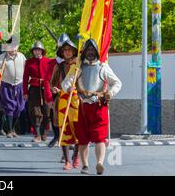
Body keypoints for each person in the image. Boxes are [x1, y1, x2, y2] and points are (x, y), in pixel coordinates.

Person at [62, 38, 122, 175]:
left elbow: (117, 83)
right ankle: (85, 165)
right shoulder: (77, 68)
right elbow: (65, 83)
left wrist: (110, 93)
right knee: (83, 139)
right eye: (88, 50)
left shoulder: (103, 67)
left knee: (100, 137)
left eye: (92, 50)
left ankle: (100, 162)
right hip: (81, 107)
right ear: (84, 52)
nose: (90, 52)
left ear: (96, 52)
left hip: (99, 106)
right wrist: (69, 89)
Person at [50, 34, 80, 170]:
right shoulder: (59, 66)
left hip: (77, 100)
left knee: (77, 129)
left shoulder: (79, 65)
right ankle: (67, 160)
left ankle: (76, 157)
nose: (67, 52)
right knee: (63, 129)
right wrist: (54, 88)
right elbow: (52, 84)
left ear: (74, 51)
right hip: (61, 100)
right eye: (64, 50)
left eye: (69, 50)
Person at [22, 41, 56, 142]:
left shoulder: (49, 61)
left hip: (46, 89)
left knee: (46, 111)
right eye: (35, 50)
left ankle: (44, 133)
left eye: (39, 50)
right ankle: (37, 135)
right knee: (35, 111)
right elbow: (25, 78)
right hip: (34, 88)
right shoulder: (29, 62)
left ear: (42, 51)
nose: (37, 52)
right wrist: (25, 92)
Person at [0, 36, 26, 138]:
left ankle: (13, 129)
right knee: (9, 107)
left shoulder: (21, 56)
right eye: (11, 46)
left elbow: (26, 69)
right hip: (6, 85)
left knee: (19, 107)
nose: (13, 48)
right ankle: (9, 130)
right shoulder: (2, 57)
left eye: (15, 46)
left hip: (19, 85)